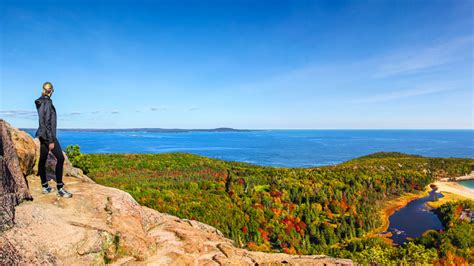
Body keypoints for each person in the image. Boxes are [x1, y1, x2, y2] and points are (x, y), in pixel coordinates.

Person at [34, 81, 72, 198]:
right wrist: (51, 140)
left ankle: (45, 186)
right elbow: (46, 122)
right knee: (60, 159)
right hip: (48, 136)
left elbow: (42, 122)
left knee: (43, 159)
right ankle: (60, 188)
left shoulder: (40, 102)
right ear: (51, 91)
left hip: (42, 135)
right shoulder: (47, 103)